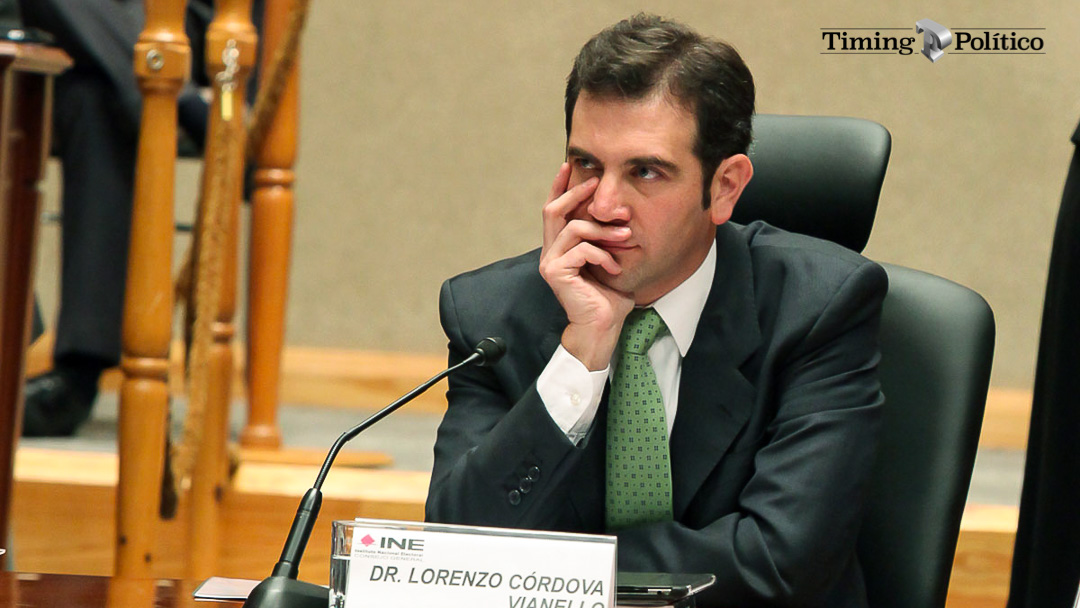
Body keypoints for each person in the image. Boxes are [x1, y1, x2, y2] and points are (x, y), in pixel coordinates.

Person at [425, 14, 888, 608]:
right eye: (587, 165)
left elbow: (781, 562)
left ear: (724, 187)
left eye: (644, 172)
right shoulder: (490, 315)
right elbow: (459, 549)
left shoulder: (819, 307)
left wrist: (549, 568)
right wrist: (582, 351)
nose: (604, 205)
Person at [17, 0, 215, 437]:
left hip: (152, 15)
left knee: (99, 95)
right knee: (105, 91)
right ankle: (177, 97)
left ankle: (75, 371)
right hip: (34, 32)